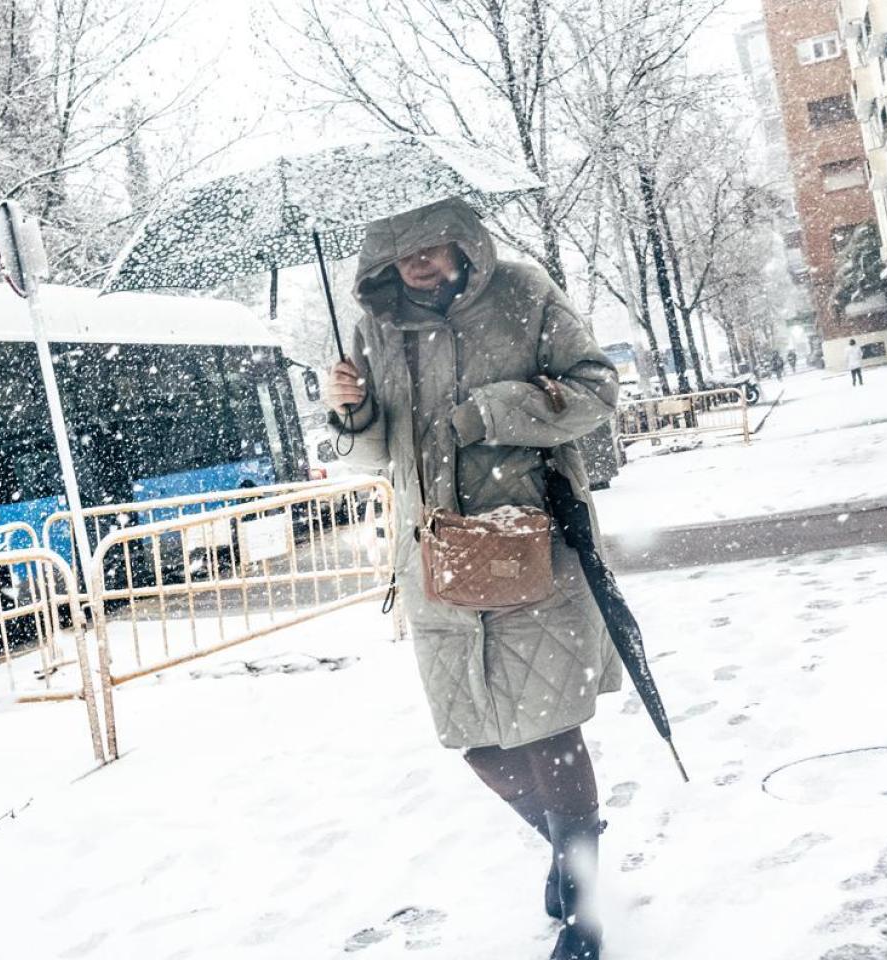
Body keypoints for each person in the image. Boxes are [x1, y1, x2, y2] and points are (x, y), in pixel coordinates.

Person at [323, 197, 620, 960]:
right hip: (438, 564)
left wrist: (495, 411)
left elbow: (596, 390)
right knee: (481, 744)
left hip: (532, 547)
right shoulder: (376, 329)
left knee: (550, 733)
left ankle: (585, 912)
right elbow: (377, 453)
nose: (415, 264)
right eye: (399, 253)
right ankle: (568, 841)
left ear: (462, 240)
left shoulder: (524, 293)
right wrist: (351, 414)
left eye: (428, 246)